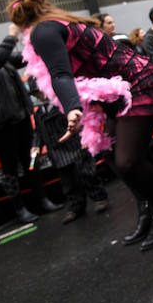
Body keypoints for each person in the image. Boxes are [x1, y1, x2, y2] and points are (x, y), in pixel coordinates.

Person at [9, 0, 153, 251]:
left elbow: (60, 73)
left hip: (135, 85)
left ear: (20, 24)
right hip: (113, 93)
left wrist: (72, 107)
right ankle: (146, 210)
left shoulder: (43, 31)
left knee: (127, 160)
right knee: (113, 155)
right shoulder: (58, 23)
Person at [0, 25, 63, 223]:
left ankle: (41, 200)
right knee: (9, 167)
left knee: (30, 161)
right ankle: (20, 209)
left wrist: (32, 37)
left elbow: (19, 58)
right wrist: (11, 35)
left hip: (19, 117)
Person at [28, 81, 109, 224]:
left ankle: (99, 197)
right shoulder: (39, 113)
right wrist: (36, 146)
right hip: (57, 151)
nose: (40, 96)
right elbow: (38, 132)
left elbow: (80, 120)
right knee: (68, 181)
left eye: (40, 92)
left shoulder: (63, 105)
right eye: (37, 94)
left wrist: (86, 138)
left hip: (74, 145)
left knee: (87, 173)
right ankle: (75, 206)